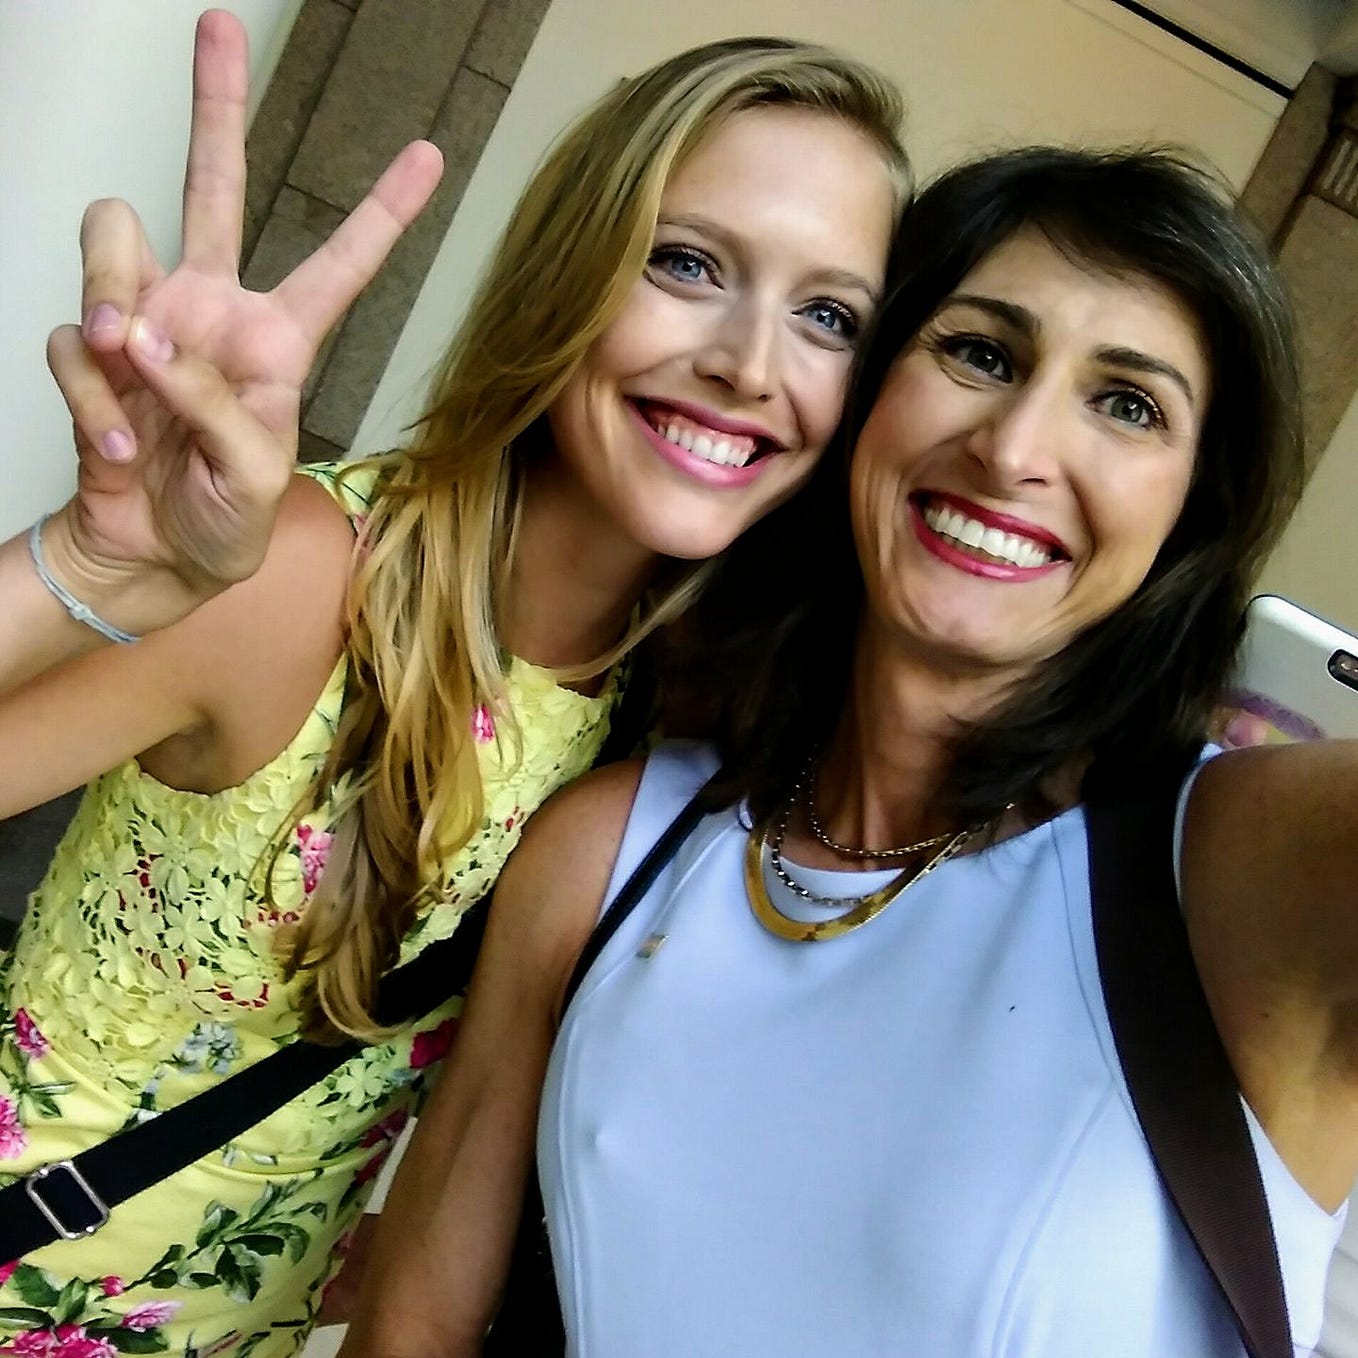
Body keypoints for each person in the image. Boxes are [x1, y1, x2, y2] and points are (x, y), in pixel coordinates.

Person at [343, 147, 1357, 1357]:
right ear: (864, 395)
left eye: (1127, 405)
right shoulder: (609, 849)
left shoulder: (1233, 868)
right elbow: (412, 1323)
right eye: (979, 353)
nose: (1012, 449)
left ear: (1190, 512)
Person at [0, 11, 907, 1355]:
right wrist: (84, 563)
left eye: (826, 315)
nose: (749, 362)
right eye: (686, 262)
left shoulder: (672, 725)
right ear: (570, 268)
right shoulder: (308, 572)